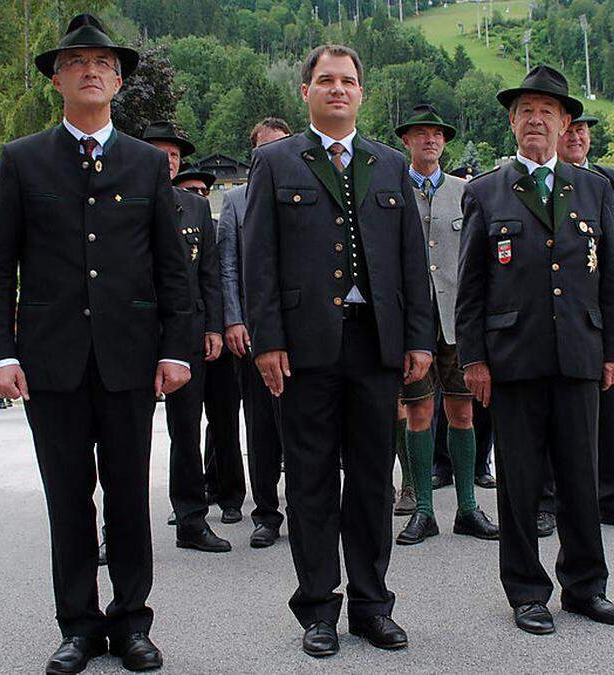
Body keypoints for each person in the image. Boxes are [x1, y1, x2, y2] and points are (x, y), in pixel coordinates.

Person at [0, 15, 193, 673]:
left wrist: (177, 347)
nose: (91, 69)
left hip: (130, 357)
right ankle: (77, 622)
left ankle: (132, 622)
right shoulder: (21, 161)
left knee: (130, 492)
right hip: (51, 358)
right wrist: (1, 352)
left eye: (103, 61)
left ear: (120, 79)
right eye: (77, 62)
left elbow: (170, 267)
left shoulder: (144, 162)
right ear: (57, 78)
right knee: (68, 495)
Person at [242, 44, 434, 657]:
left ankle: (373, 605)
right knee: (312, 479)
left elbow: (411, 259)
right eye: (325, 80)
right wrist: (267, 339)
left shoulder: (388, 163)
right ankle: (319, 608)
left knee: (375, 478)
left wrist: (419, 338)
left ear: (362, 93)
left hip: (375, 344)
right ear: (306, 92)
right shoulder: (275, 161)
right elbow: (258, 259)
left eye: (349, 81)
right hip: (305, 348)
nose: (338, 89)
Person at [455, 65, 614, 636]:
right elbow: (472, 284)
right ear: (512, 122)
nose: (535, 120)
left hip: (580, 350)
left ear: (564, 124)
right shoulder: (485, 190)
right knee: (521, 480)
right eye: (525, 111)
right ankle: (527, 591)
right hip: (514, 356)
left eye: (547, 112)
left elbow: (611, 281)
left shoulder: (595, 189)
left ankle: (585, 586)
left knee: (581, 474)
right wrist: (474, 358)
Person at [392, 103, 499, 545]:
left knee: (461, 410)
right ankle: (422, 510)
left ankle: (468, 509)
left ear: (445, 141)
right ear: (406, 141)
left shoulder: (465, 191)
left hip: (459, 319)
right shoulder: (393, 188)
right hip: (411, 322)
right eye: (420, 134)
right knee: (418, 411)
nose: (430, 140)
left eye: (436, 134)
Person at [553, 111, 614, 533]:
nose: (576, 137)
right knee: (552, 417)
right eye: (569, 130)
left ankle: (612, 497)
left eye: (582, 130)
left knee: (609, 413)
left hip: (603, 312)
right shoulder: (544, 182)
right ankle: (549, 501)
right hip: (558, 314)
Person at [141, 120, 231, 554]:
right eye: (159, 153)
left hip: (188, 332)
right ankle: (117, 531)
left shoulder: (194, 208)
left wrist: (214, 325)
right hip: (135, 332)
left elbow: (209, 272)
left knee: (186, 428)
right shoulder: (122, 202)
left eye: (174, 155)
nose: (168, 161)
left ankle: (192, 520)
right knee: (126, 434)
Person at [216, 118, 290, 549]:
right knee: (260, 427)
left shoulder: (305, 195)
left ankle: (304, 505)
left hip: (300, 332)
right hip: (255, 333)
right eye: (265, 149)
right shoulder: (236, 200)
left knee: (300, 427)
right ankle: (266, 513)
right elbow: (227, 265)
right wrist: (233, 319)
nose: (273, 156)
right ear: (254, 155)